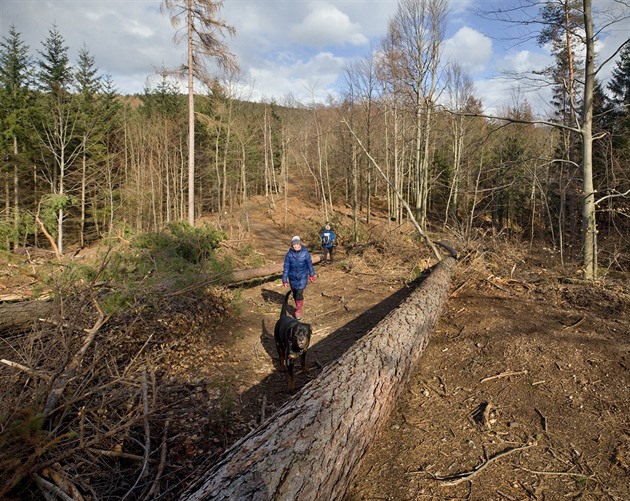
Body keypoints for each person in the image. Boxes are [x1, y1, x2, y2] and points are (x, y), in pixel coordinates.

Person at [282, 236, 315, 320]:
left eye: (297, 244)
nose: (295, 246)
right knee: (295, 293)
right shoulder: (289, 254)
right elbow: (286, 267)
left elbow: (309, 264)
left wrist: (311, 274)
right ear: (292, 245)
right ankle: (297, 305)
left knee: (299, 293)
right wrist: (284, 279)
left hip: (302, 276)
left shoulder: (305, 253)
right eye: (294, 244)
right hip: (292, 277)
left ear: (299, 243)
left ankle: (298, 311)